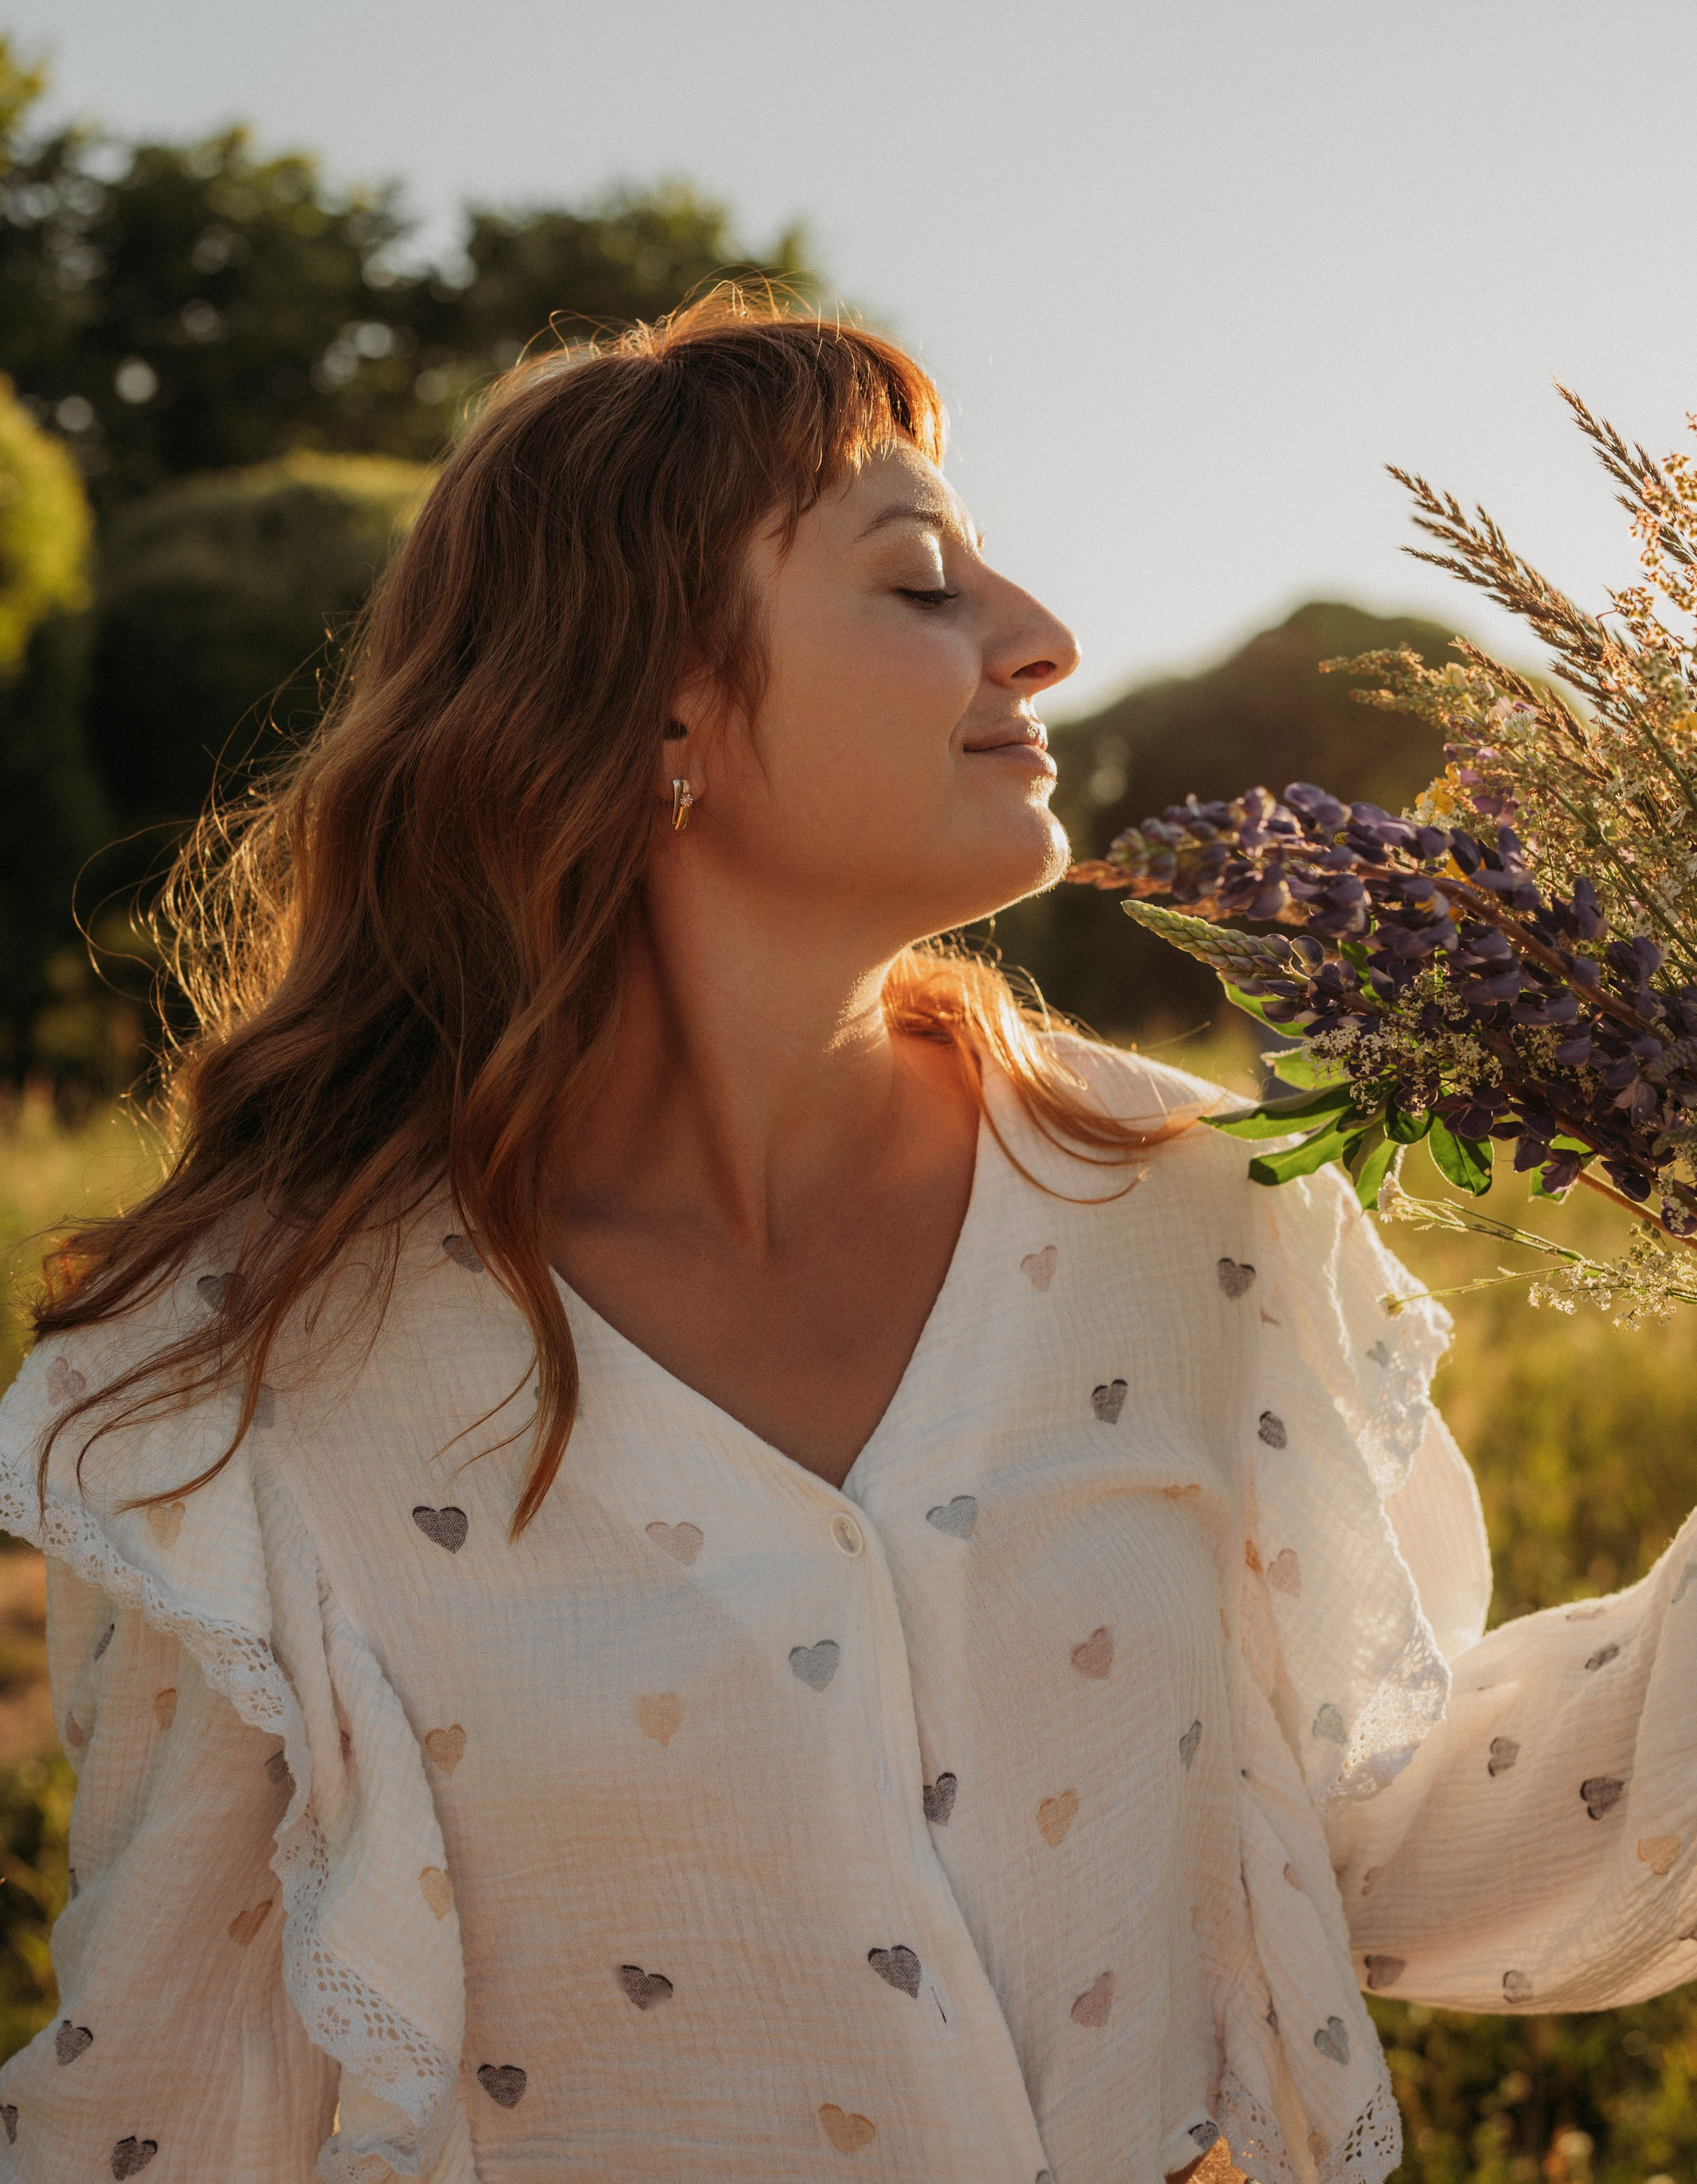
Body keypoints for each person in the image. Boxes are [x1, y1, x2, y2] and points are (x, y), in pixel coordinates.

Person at [2, 298, 1695, 2184]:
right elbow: (160, 2100)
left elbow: (1383, 1832)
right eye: (919, 584)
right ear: (655, 695)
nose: (1044, 639)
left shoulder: (1200, 1210)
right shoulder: (265, 1379)